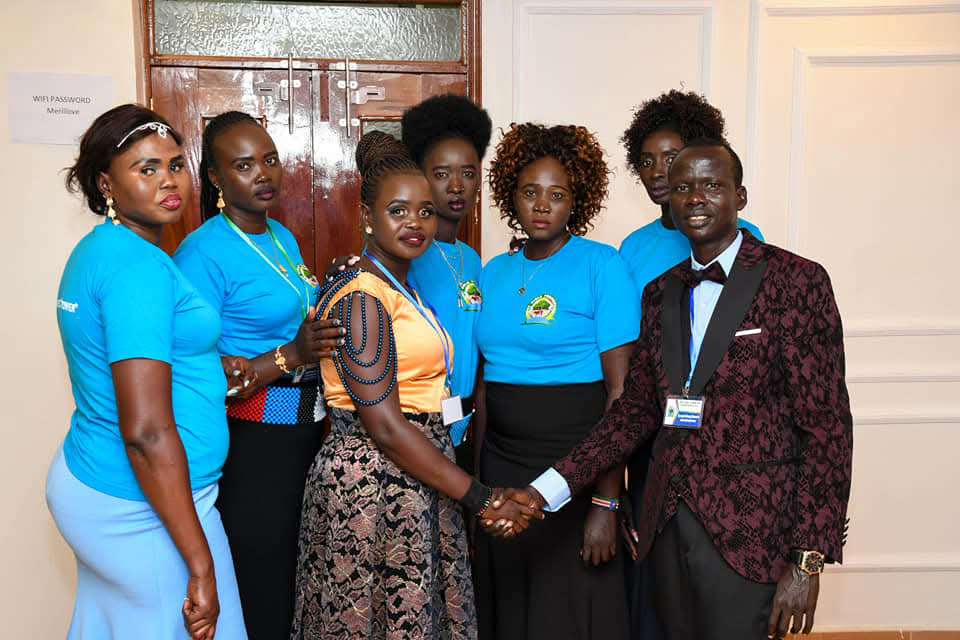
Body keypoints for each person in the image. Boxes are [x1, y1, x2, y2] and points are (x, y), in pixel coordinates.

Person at [507, 139, 853, 640]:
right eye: (684, 187)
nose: (695, 198)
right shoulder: (659, 294)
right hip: (665, 527)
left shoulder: (796, 282)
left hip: (753, 535)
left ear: (740, 196)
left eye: (712, 185)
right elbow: (632, 413)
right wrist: (544, 491)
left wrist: (807, 559)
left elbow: (826, 428)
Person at [290, 131, 539, 639]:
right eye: (398, 211)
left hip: (417, 471)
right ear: (367, 216)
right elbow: (384, 426)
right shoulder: (362, 297)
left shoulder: (396, 284)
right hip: (373, 484)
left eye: (425, 212)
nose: (415, 223)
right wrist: (481, 497)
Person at [47, 104, 245, 639]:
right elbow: (146, 432)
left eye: (175, 165)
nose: (168, 181)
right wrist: (200, 566)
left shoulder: (99, 250)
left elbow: (117, 352)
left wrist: (201, 367)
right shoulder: (137, 268)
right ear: (106, 184)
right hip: (141, 504)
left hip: (94, 477)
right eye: (146, 168)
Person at [172, 110, 342, 639]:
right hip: (253, 441)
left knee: (294, 582)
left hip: (304, 433)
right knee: (260, 587)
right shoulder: (202, 253)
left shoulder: (281, 236)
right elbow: (196, 374)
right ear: (216, 177)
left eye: (269, 160)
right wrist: (290, 354)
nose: (263, 174)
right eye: (244, 165)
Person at [473, 123, 640, 640]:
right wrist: (476, 490)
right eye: (530, 192)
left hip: (576, 468)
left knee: (568, 614)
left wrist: (606, 502)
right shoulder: (492, 271)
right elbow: (482, 383)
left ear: (576, 201)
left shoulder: (602, 265)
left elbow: (622, 396)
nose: (542, 205)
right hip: (501, 466)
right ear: (511, 196)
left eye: (557, 194)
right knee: (509, 609)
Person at [617, 89, 766, 639]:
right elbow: (631, 350)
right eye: (648, 161)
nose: (660, 171)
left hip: (726, 441)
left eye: (672, 158)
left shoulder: (748, 242)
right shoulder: (632, 249)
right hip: (655, 429)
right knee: (659, 586)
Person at [401, 94, 492, 471]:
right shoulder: (406, 254)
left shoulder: (472, 259)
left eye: (467, 173)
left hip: (463, 421)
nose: (456, 186)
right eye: (441, 174)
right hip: (415, 424)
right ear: (420, 177)